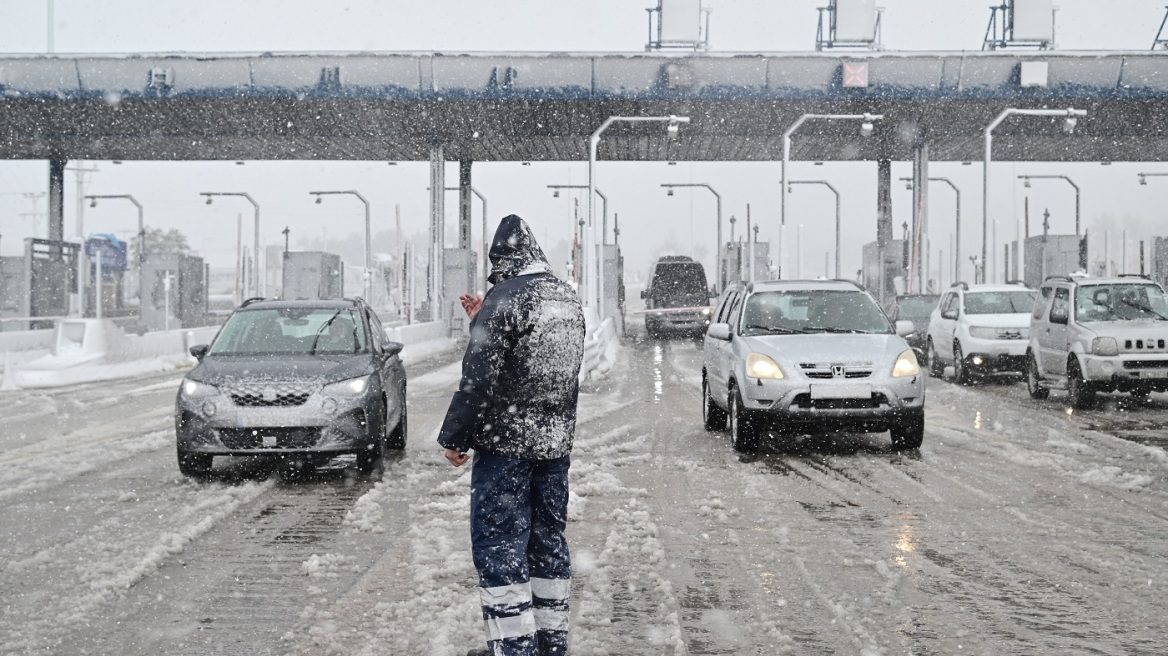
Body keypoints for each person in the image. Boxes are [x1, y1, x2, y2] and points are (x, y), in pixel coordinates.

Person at [438, 214, 586, 656]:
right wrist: (483, 320)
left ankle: (513, 647)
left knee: (501, 546)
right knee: (546, 544)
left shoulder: (505, 299)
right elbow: (541, 364)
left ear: (502, 261)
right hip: (554, 446)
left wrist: (455, 437)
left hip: (506, 447)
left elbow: (479, 378)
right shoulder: (565, 297)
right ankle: (551, 642)